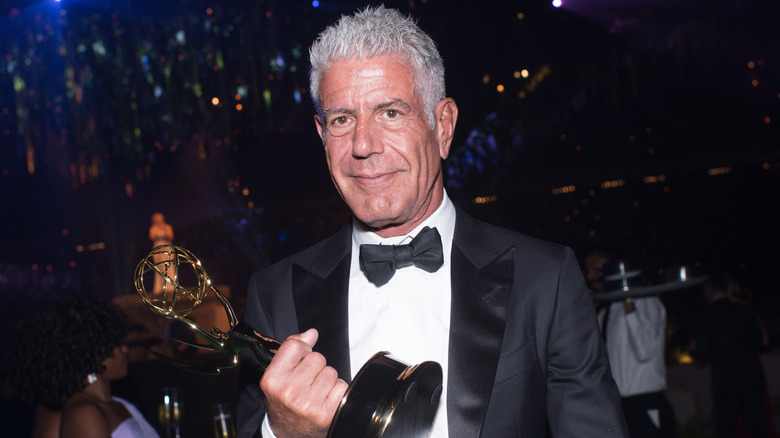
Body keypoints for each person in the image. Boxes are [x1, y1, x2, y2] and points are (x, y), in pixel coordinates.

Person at [236, 6, 627, 438]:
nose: (363, 145)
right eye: (342, 119)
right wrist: (285, 433)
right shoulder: (274, 295)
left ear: (443, 126)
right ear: (321, 133)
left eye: (390, 113)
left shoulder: (544, 279)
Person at [5, 297, 159, 438]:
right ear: (89, 352)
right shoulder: (83, 413)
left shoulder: (121, 404)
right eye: (115, 343)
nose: (125, 349)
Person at [592, 260, 677, 438]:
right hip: (618, 405)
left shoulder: (648, 303)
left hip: (646, 402)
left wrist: (629, 304)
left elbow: (644, 351)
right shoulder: (605, 312)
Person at [691, 273, 769, 438]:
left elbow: (703, 352)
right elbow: (759, 344)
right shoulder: (745, 309)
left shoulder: (706, 316)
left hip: (726, 382)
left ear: (708, 290)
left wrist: (694, 349)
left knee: (726, 429)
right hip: (751, 378)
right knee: (758, 428)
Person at [148, 212, 174, 295]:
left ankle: (170, 287)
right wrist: (156, 227)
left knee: (168, 266)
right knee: (159, 267)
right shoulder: (153, 228)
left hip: (166, 247)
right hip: (157, 248)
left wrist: (164, 229)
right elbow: (151, 237)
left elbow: (171, 237)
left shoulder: (167, 226)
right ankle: (159, 288)